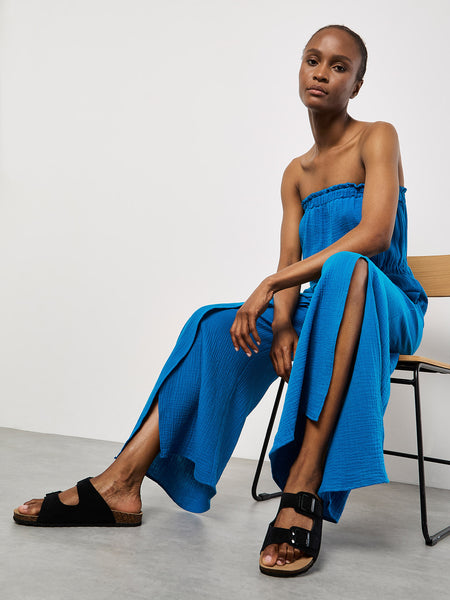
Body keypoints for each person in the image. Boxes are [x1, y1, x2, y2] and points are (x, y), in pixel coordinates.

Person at [13, 24, 427, 578]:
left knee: (349, 269)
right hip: (323, 305)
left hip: (385, 302)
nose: (322, 73)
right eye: (312, 60)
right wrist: (283, 325)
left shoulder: (378, 137)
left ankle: (304, 487)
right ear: (300, 68)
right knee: (211, 325)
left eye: (339, 67)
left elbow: (374, 235)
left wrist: (271, 285)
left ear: (357, 84)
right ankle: (120, 483)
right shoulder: (296, 174)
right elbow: (290, 262)